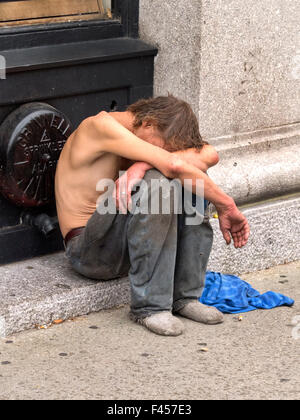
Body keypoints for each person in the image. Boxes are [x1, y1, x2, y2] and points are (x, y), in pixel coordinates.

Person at [55, 95, 250, 336]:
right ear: (148, 123)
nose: (161, 153)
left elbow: (210, 155)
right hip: (90, 252)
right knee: (159, 180)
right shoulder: (98, 127)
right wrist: (227, 206)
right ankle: (150, 307)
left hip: (130, 245)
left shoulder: (145, 132)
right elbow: (172, 165)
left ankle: (185, 297)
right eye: (162, 147)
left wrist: (142, 165)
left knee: (189, 176)